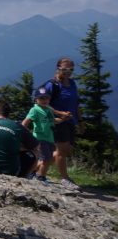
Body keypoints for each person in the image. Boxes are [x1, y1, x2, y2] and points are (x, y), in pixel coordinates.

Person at [41, 58, 81, 191]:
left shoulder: (73, 84)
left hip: (70, 121)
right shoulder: (52, 85)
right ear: (58, 68)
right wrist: (59, 113)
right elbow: (43, 103)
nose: (68, 72)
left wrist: (79, 121)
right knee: (62, 150)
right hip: (57, 122)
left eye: (71, 69)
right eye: (64, 69)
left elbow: (76, 104)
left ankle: (37, 168)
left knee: (65, 150)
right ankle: (65, 179)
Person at [23, 86, 69, 186]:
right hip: (40, 138)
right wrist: (23, 133)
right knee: (46, 159)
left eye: (46, 98)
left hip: (49, 138)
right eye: (41, 98)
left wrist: (63, 119)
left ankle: (31, 172)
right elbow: (26, 122)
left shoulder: (48, 109)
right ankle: (41, 177)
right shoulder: (35, 110)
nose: (45, 100)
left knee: (46, 159)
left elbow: (53, 121)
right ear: (36, 100)